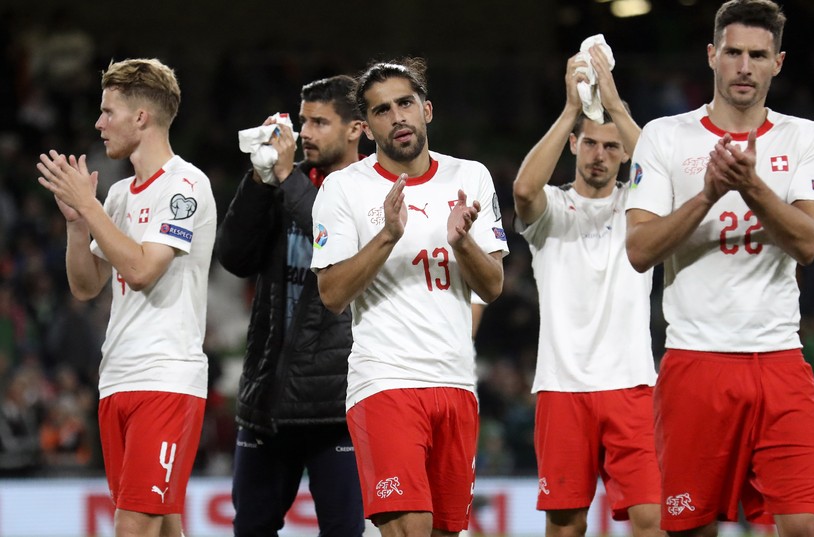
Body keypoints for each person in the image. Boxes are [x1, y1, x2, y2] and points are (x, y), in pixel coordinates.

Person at [625, 1, 814, 536]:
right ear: (712, 55)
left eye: (758, 55)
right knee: (690, 530)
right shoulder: (665, 135)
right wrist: (708, 195)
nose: (745, 66)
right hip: (696, 361)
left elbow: (808, 242)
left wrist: (751, 185)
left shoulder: (805, 137)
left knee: (808, 526)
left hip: (779, 360)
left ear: (778, 63)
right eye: (734, 52)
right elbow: (639, 249)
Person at [310, 57, 509, 536]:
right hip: (385, 381)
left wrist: (462, 243)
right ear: (367, 125)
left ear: (427, 110)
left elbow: (492, 286)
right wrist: (386, 236)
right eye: (381, 110)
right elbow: (332, 294)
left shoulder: (471, 176)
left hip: (457, 383)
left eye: (405, 103)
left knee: (446, 531)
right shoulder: (343, 189)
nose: (396, 116)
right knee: (409, 528)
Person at [36, 58, 216, 537]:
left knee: (133, 523)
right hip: (118, 378)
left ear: (142, 117)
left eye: (107, 111)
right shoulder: (117, 196)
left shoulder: (185, 186)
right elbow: (86, 285)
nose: (99, 123)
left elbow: (139, 270)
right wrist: (78, 221)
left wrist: (90, 206)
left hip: (166, 377)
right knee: (160, 522)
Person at [513, 44, 662, 537]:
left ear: (624, 154)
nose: (601, 155)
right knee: (565, 524)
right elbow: (522, 192)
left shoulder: (639, 208)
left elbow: (669, 174)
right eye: (591, 143)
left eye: (612, 146)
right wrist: (571, 109)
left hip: (633, 383)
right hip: (562, 386)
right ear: (574, 145)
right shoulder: (552, 209)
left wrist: (616, 107)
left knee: (654, 519)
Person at [216, 75, 365, 537]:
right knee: (252, 529)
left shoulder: (374, 189)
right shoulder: (285, 182)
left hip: (337, 406)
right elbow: (236, 258)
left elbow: (336, 244)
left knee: (343, 532)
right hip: (269, 397)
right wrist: (260, 180)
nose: (306, 133)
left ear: (356, 128)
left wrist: (285, 178)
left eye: (321, 122)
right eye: (304, 120)